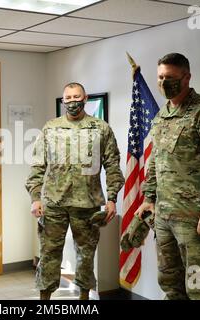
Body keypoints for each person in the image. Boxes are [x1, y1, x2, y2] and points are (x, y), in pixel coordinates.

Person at [136, 53, 200, 300]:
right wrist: (149, 198)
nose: (164, 83)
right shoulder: (162, 115)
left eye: (170, 77)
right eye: (161, 77)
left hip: (196, 220)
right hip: (163, 217)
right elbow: (156, 162)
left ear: (187, 77)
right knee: (171, 283)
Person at [26, 82, 125, 300]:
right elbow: (37, 165)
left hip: (87, 204)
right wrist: (35, 198)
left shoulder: (100, 129)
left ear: (85, 98)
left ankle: (84, 298)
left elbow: (112, 166)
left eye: (76, 97)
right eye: (68, 98)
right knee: (49, 253)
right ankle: (45, 299)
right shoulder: (51, 128)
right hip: (54, 203)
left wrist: (112, 199)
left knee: (86, 255)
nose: (72, 101)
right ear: (63, 100)